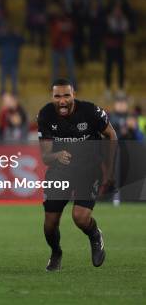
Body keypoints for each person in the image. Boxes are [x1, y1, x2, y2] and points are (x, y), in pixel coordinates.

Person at [37, 78, 117, 271]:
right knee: (50, 224)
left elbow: (111, 135)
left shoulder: (91, 112)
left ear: (74, 95)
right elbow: (46, 157)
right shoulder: (45, 115)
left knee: (80, 217)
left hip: (89, 169)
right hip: (60, 170)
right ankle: (56, 253)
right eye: (57, 96)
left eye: (66, 95)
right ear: (52, 97)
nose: (62, 101)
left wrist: (110, 170)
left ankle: (94, 235)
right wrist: (58, 155)